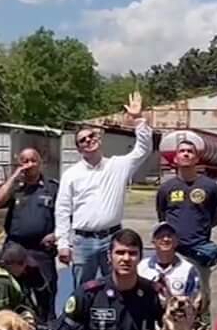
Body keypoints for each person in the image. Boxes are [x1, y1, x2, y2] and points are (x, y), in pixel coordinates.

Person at [55, 93, 153, 292]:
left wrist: (138, 119)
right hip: (83, 242)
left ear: (99, 139)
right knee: (84, 292)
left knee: (118, 288)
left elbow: (143, 149)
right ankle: (85, 323)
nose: (89, 140)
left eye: (92, 136)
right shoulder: (71, 174)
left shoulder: (118, 165)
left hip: (113, 238)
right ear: (79, 148)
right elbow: (62, 210)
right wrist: (63, 244)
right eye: (83, 140)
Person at [155, 133, 217, 330]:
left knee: (201, 299)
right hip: (171, 253)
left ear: (196, 158)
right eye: (182, 151)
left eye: (190, 151)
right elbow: (162, 216)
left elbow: (215, 217)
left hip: (198, 251)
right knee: (169, 298)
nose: (185, 154)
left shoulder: (210, 187)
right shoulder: (166, 188)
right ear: (175, 158)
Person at [0, 145, 59, 317]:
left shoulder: (52, 188)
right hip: (15, 249)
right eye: (25, 161)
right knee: (14, 299)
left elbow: (66, 215)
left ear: (40, 163)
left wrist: (57, 234)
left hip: (41, 251)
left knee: (46, 297)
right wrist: (14, 176)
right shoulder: (15, 187)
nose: (29, 164)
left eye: (33, 160)